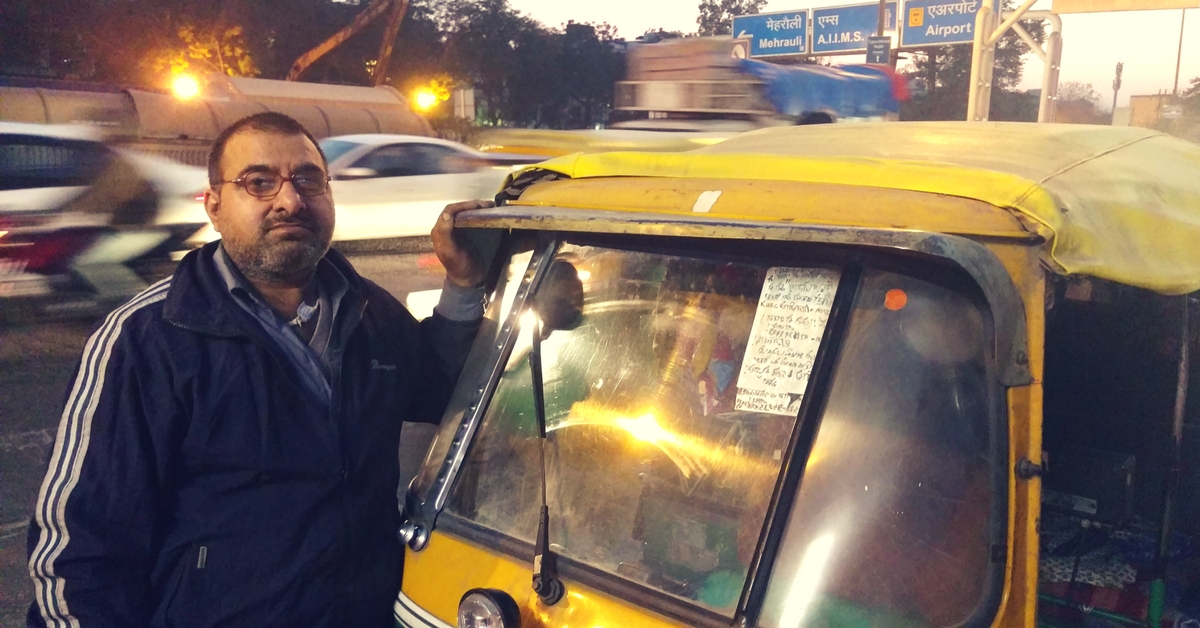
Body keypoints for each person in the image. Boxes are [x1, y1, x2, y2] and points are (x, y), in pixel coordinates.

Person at [26, 112, 490, 628]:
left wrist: (464, 285)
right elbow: (79, 554)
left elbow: (437, 390)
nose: (290, 200)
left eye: (308, 179)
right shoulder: (148, 339)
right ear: (216, 207)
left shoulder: (368, 311)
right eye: (259, 182)